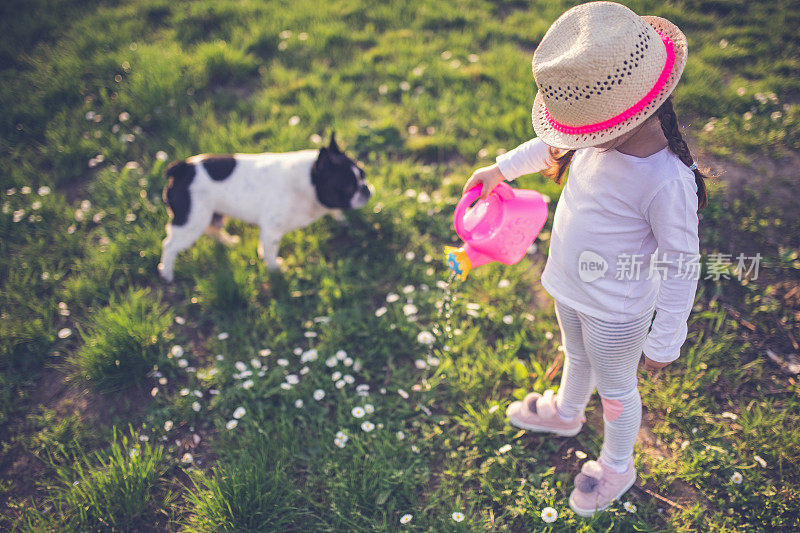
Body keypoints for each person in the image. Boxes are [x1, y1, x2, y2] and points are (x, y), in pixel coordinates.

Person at [462, 1, 709, 517]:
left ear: (637, 110)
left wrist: (666, 336)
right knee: (574, 354)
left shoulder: (667, 182)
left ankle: (618, 464)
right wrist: (500, 169)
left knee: (617, 386)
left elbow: (681, 265)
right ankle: (567, 412)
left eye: (584, 133)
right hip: (571, 286)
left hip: (617, 311)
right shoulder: (599, 136)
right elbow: (547, 147)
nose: (576, 142)